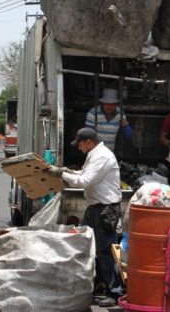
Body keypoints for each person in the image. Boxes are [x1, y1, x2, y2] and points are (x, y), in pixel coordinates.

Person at [45, 127, 123, 307]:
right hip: (95, 207)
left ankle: (115, 291)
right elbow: (84, 174)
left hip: (106, 208)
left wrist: (61, 174)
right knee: (85, 245)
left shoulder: (102, 156)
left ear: (88, 142)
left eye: (79, 144)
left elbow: (85, 181)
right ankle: (98, 284)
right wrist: (67, 171)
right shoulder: (94, 154)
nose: (78, 148)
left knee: (105, 251)